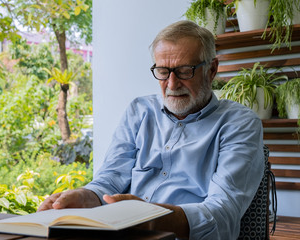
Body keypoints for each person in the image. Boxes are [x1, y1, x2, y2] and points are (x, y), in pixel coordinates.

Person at [38, 20, 264, 239]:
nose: (172, 84)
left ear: (212, 69)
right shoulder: (140, 110)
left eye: (185, 71)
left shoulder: (239, 124)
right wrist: (87, 196)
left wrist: (149, 216)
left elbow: (222, 215)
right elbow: (111, 177)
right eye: (163, 71)